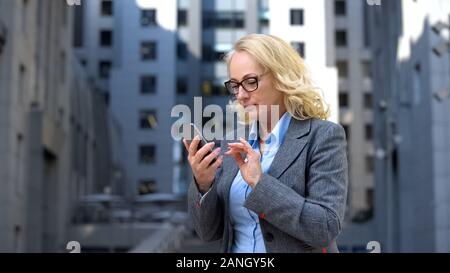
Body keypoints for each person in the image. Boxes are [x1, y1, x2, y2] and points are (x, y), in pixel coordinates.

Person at [182, 34, 348, 253]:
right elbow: (208, 232)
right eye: (234, 85)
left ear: (281, 77)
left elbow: (325, 227)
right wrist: (204, 186)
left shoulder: (323, 136)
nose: (240, 95)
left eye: (250, 82)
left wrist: (259, 183)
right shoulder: (232, 142)